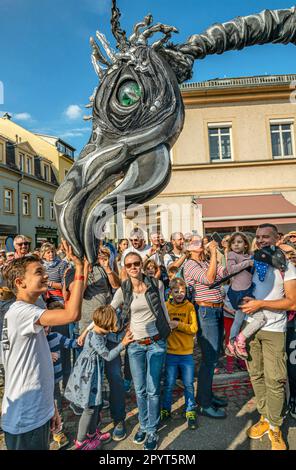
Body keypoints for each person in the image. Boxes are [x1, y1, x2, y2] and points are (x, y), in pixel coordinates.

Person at [0, 241, 85, 450]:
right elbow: (71, 314)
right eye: (39, 272)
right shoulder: (20, 312)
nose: (46, 275)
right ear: (21, 282)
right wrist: (81, 270)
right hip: (26, 419)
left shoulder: (25, 309)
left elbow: (35, 366)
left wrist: (51, 410)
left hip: (37, 412)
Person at [241, 224, 296, 450]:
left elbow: (292, 302)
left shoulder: (287, 267)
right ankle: (265, 417)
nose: (261, 240)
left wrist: (260, 304)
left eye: (266, 237)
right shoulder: (253, 263)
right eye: (258, 237)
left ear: (277, 238)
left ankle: (275, 427)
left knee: (275, 380)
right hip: (250, 328)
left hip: (274, 330)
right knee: (256, 375)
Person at [112, 252, 171, 450]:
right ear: (125, 268)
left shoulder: (156, 284)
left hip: (155, 342)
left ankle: (152, 429)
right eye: (129, 265)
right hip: (135, 345)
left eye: (137, 263)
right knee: (140, 390)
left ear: (142, 265)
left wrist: (168, 329)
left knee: (153, 389)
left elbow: (163, 308)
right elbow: (109, 311)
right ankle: (144, 425)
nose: (134, 267)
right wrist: (90, 331)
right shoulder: (124, 288)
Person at [65, 305, 133, 450]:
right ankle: (81, 441)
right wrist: (123, 344)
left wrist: (123, 334)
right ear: (108, 324)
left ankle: (92, 434)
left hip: (93, 375)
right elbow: (107, 356)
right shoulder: (96, 337)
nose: (116, 324)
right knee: (89, 408)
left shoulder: (99, 331)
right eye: (114, 322)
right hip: (87, 378)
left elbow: (110, 335)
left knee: (96, 405)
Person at [184, 236, 228, 419]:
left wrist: (222, 253)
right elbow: (210, 279)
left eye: (200, 241)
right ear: (189, 248)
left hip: (216, 310)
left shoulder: (204, 262)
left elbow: (223, 274)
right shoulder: (190, 264)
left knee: (214, 357)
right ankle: (204, 403)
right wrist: (212, 255)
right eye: (195, 243)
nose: (200, 244)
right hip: (205, 311)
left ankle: (207, 395)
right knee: (209, 359)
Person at [161, 278, 198, 429]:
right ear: (170, 292)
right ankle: (165, 409)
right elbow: (162, 327)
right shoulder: (166, 307)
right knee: (169, 384)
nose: (179, 294)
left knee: (189, 384)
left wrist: (178, 325)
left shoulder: (189, 307)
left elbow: (194, 328)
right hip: (170, 352)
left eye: (182, 291)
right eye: (176, 291)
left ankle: (190, 410)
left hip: (186, 353)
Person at [225, 232, 267, 359]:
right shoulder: (232, 255)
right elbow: (231, 269)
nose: (236, 245)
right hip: (239, 293)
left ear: (245, 245)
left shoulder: (250, 255)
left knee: (238, 320)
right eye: (233, 242)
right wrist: (248, 263)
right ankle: (240, 340)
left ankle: (231, 343)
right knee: (261, 318)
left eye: (239, 242)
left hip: (247, 292)